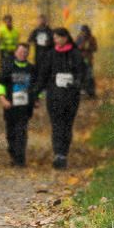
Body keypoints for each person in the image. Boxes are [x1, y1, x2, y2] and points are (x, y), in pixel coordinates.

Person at [32, 27, 86, 169]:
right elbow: (43, 75)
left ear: (65, 38)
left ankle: (64, 154)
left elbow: (82, 73)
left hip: (70, 96)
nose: (55, 40)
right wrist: (36, 94)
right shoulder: (50, 55)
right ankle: (58, 154)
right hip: (54, 96)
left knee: (67, 125)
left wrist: (76, 83)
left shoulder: (75, 54)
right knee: (56, 124)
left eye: (58, 38)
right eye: (54, 38)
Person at [0, 43, 36, 167]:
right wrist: (3, 100)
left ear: (28, 54)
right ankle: (13, 154)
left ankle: (20, 158)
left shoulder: (32, 69)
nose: (23, 54)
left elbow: (37, 87)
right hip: (10, 106)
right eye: (21, 51)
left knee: (21, 131)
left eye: (25, 52)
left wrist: (37, 99)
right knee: (11, 133)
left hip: (25, 107)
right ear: (15, 53)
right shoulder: (8, 68)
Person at [75, 24, 99, 99]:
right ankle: (79, 93)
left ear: (88, 31)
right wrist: (80, 47)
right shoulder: (79, 38)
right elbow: (74, 47)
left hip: (88, 61)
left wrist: (88, 48)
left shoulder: (91, 38)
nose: (84, 33)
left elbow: (95, 48)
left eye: (85, 31)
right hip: (80, 61)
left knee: (89, 77)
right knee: (80, 77)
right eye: (83, 31)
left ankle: (91, 94)